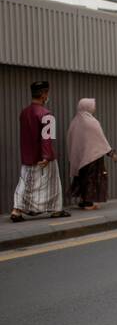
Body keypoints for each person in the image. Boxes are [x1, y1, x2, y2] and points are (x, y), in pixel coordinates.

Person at [10, 81, 69, 222]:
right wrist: (47, 155)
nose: (48, 96)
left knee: (24, 182)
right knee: (53, 183)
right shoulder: (47, 114)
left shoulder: (24, 113)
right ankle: (56, 210)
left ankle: (16, 209)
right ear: (43, 95)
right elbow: (47, 137)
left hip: (27, 155)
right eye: (47, 93)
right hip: (43, 156)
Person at [66, 98, 117, 210]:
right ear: (87, 107)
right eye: (93, 106)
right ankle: (88, 203)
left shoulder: (75, 122)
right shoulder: (92, 122)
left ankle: (84, 200)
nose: (94, 108)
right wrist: (111, 153)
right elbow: (101, 140)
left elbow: (71, 141)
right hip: (93, 158)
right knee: (92, 179)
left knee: (83, 178)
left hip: (80, 159)